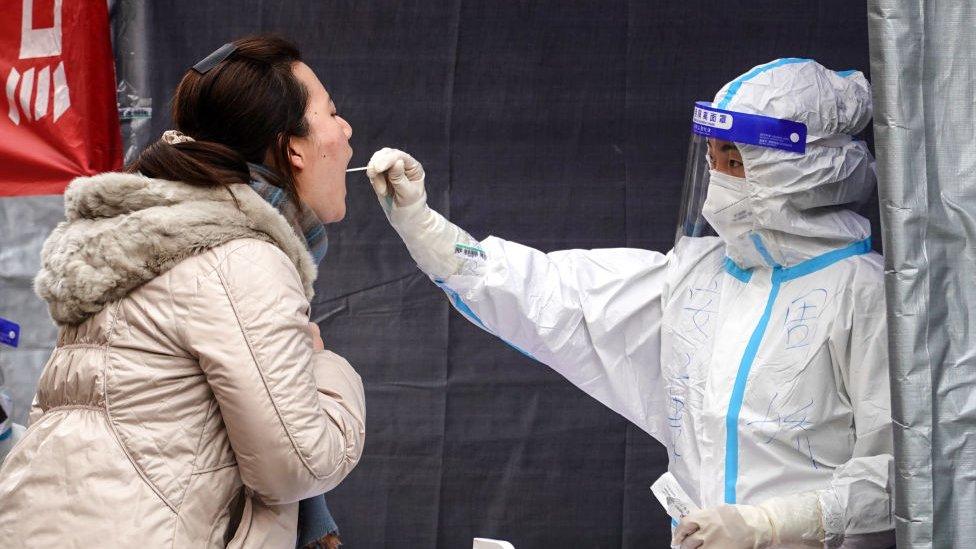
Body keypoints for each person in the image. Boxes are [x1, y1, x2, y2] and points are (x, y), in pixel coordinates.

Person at [366, 59, 894, 548]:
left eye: (735, 161)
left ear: (803, 170)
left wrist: (769, 524)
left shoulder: (863, 294)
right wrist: (425, 227)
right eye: (711, 157)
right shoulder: (698, 276)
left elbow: (901, 475)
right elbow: (554, 294)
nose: (716, 180)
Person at [0, 36, 365, 548]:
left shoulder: (147, 240)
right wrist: (327, 369)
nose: (347, 130)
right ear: (294, 148)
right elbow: (296, 463)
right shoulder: (240, 258)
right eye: (333, 113)